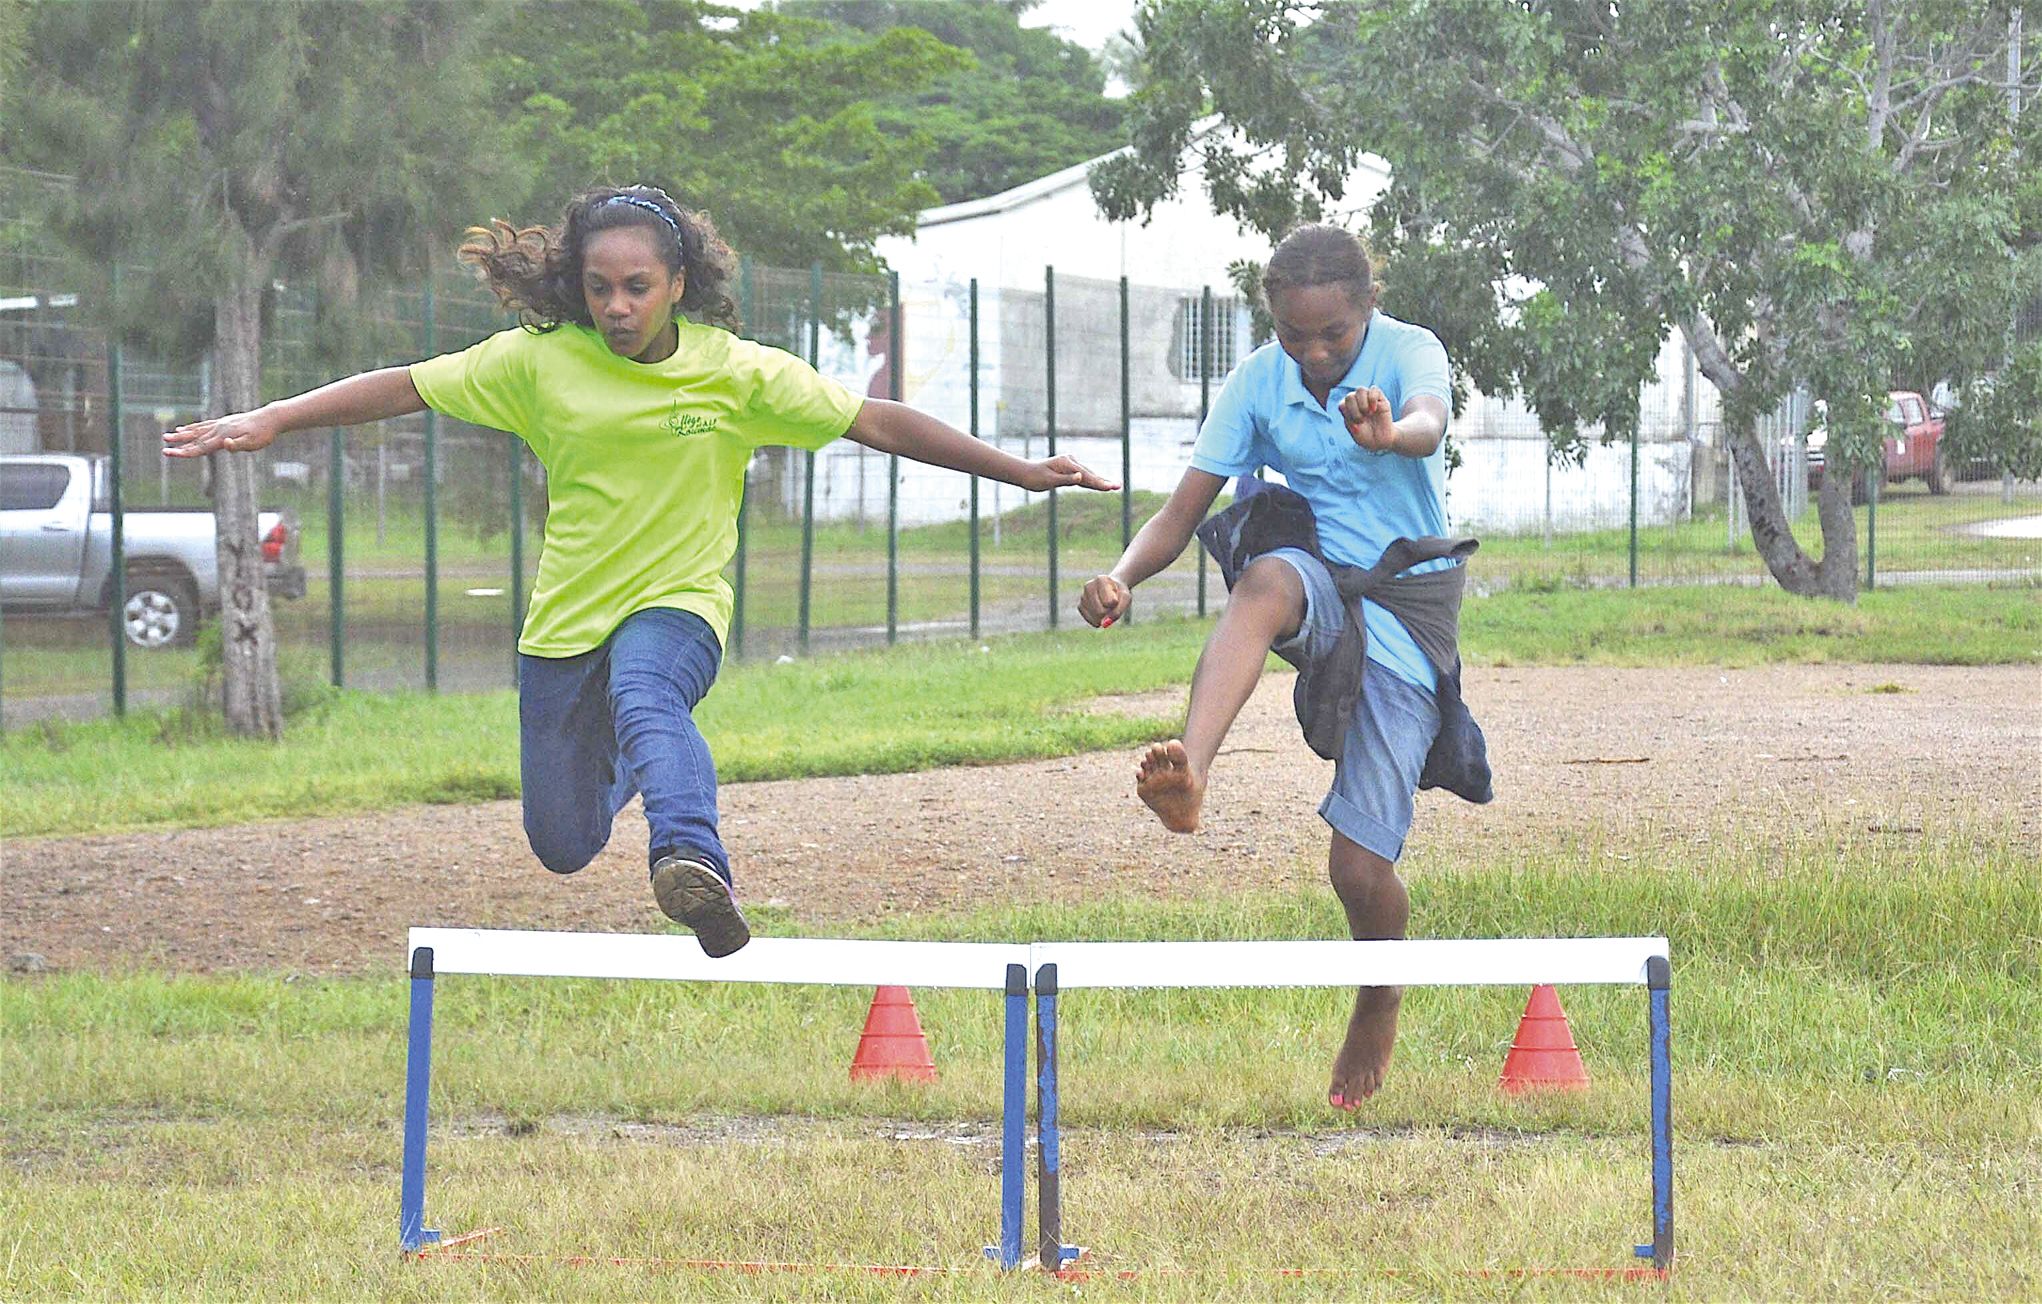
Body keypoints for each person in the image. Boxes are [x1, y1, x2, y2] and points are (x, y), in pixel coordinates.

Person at [166, 184, 1116, 958]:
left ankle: (693, 865)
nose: (616, 307)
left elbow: (878, 420)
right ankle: (643, 770)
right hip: (563, 624)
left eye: (637, 287)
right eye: (599, 288)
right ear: (579, 287)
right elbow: (408, 385)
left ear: (676, 284)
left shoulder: (736, 373)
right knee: (564, 841)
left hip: (680, 606)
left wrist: (1021, 469)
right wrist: (275, 417)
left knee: (648, 689)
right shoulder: (537, 365)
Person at [1077, 224, 1490, 1109]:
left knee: (1358, 871)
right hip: (1316, 584)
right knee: (1263, 579)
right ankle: (1189, 774)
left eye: (1331, 336)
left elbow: (1429, 422)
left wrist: (1389, 436)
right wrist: (1121, 574)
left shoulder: (1413, 351)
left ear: (1366, 309)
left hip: (1406, 599)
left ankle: (1379, 995)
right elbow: (1182, 512)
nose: (1312, 353)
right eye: (1293, 335)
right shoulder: (1258, 381)